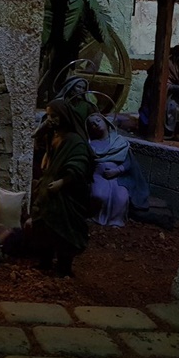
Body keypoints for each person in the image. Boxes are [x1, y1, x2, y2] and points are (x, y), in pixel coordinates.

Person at [27, 99, 93, 277]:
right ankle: (45, 261)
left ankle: (64, 267)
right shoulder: (53, 135)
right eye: (48, 115)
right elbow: (40, 144)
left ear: (64, 116)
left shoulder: (74, 141)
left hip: (65, 193)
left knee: (64, 229)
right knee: (44, 225)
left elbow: (79, 165)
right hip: (47, 186)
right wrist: (43, 129)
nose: (51, 119)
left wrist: (62, 182)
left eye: (54, 116)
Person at [86, 112, 150, 226]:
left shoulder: (119, 142)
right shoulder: (91, 145)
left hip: (119, 177)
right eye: (92, 124)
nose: (96, 124)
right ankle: (96, 217)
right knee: (99, 195)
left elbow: (129, 161)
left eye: (98, 120)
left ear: (106, 122)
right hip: (99, 176)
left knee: (121, 197)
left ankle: (116, 221)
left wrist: (117, 170)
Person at [138, 44, 179, 142]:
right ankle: (170, 132)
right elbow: (164, 85)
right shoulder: (165, 66)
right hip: (158, 96)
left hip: (171, 95)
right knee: (173, 107)